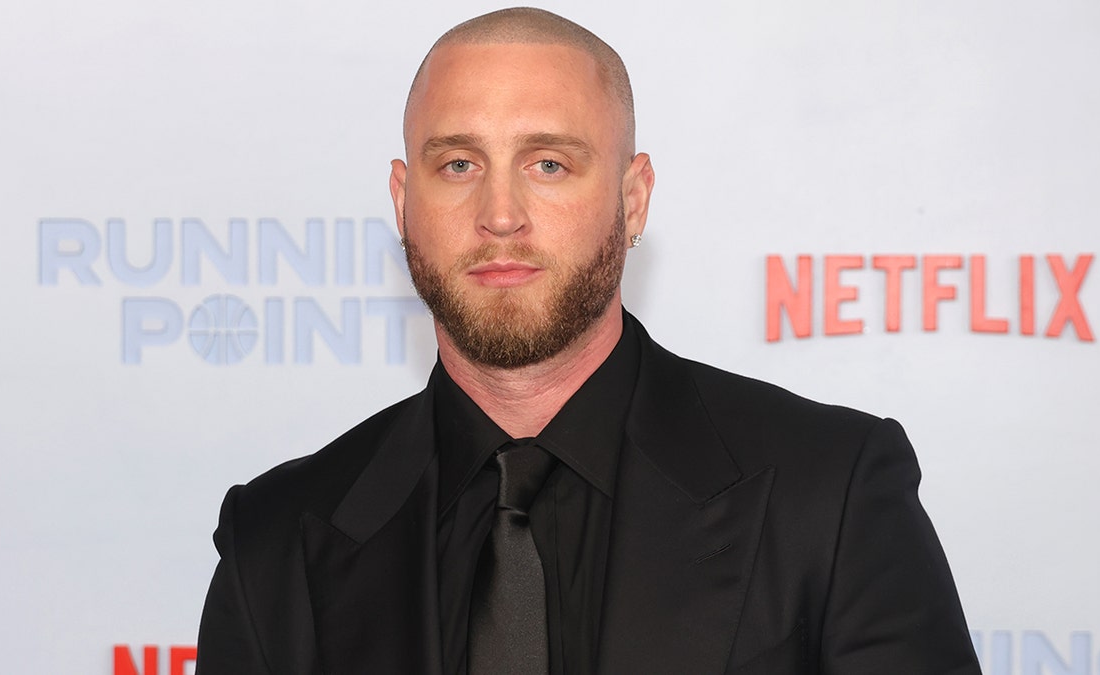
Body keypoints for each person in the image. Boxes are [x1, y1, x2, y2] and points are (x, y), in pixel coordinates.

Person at [196, 7, 981, 674]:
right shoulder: (275, 544)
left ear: (633, 199)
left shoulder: (831, 495)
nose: (500, 214)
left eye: (549, 163)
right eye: (459, 163)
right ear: (404, 201)